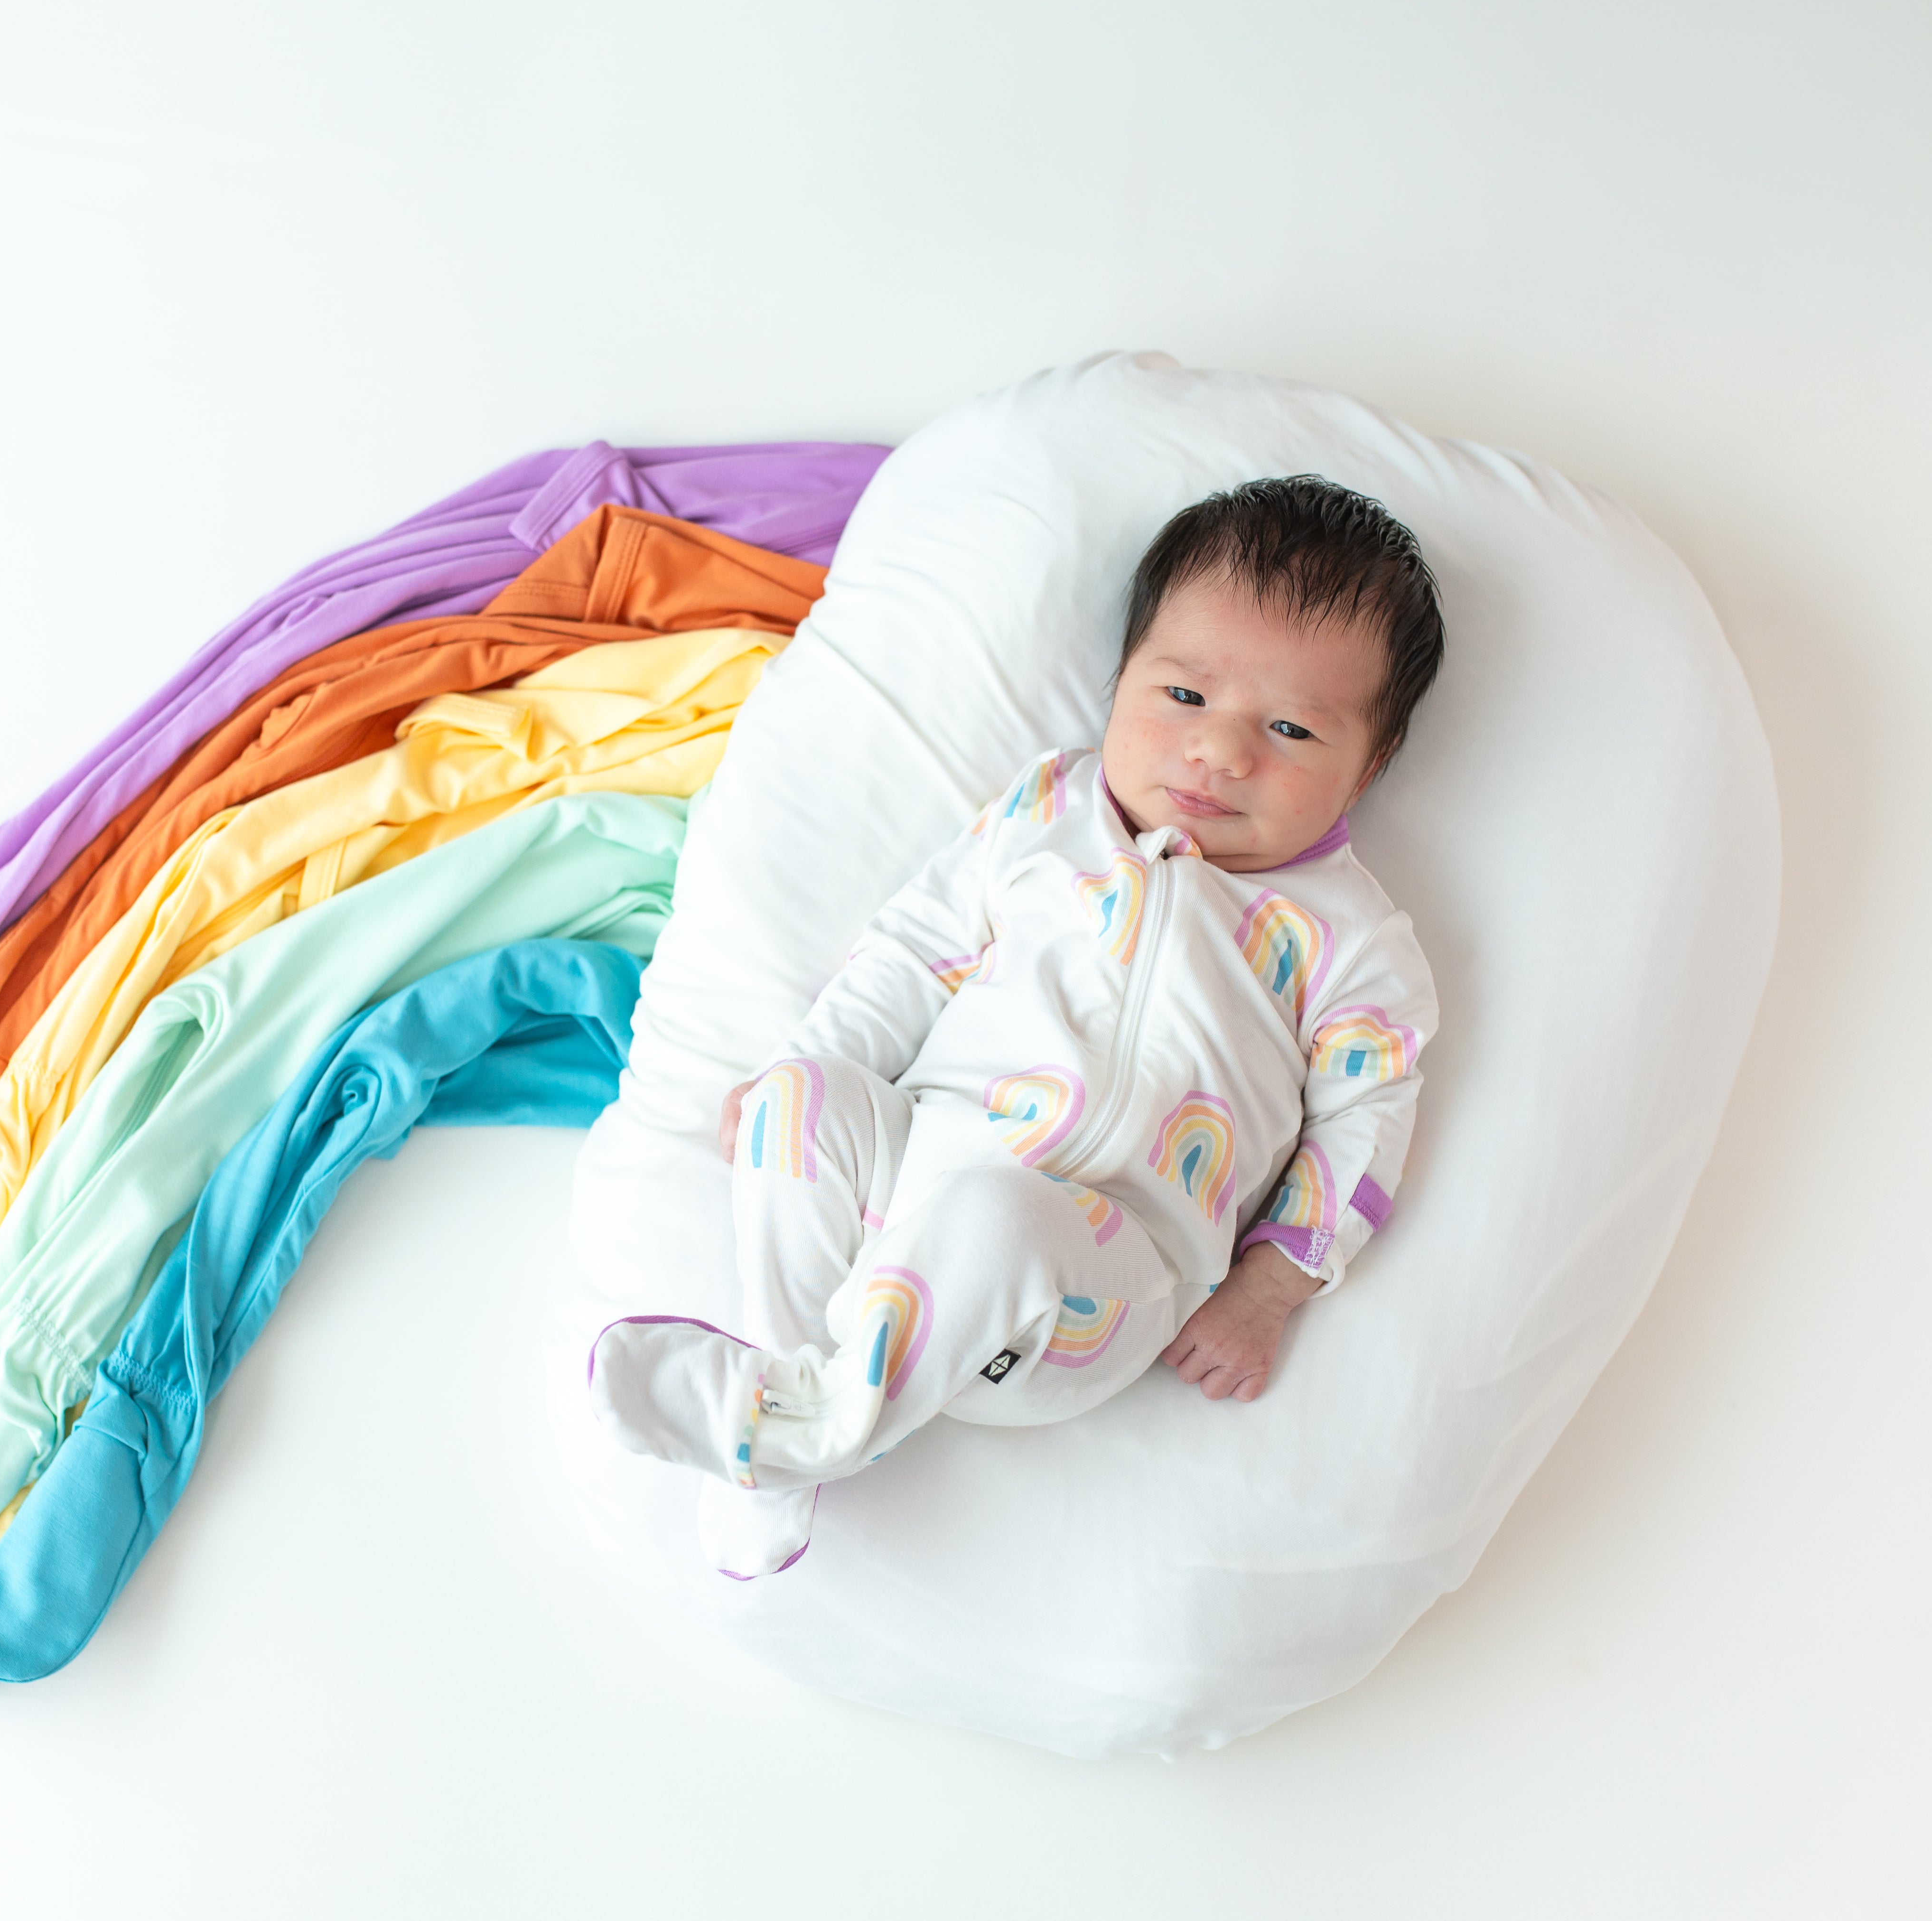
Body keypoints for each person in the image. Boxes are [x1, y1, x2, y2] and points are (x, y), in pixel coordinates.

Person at [589, 476, 1446, 1576]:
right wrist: (818, 1064)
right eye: (1183, 696)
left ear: (1365, 768)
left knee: (996, 1214)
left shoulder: (1356, 941)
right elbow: (911, 952)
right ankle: (793, 1394)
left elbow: (1365, 1121)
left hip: (1085, 1285)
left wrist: (1270, 1288)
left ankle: (802, 1432)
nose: (1221, 753)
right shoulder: (1047, 812)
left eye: (1288, 728)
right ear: (1119, 682)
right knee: (800, 1091)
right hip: (901, 1195)